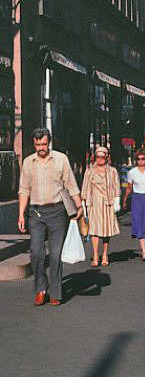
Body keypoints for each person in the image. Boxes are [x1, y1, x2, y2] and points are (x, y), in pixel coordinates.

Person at [17, 127, 82, 306]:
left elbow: (71, 185)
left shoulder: (61, 159)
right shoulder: (28, 162)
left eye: (44, 144)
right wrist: (21, 214)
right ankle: (40, 288)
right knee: (37, 252)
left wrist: (79, 206)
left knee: (55, 254)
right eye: (37, 144)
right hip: (35, 213)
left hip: (57, 212)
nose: (41, 148)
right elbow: (24, 189)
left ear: (49, 142)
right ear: (34, 143)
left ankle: (55, 291)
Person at [81, 146, 120, 267]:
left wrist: (117, 200)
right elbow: (85, 187)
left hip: (108, 203)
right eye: (98, 157)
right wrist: (83, 204)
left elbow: (116, 186)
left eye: (102, 157)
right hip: (94, 203)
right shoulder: (90, 171)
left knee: (106, 230)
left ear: (107, 157)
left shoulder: (112, 171)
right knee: (94, 230)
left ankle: (105, 254)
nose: (100, 159)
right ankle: (95, 255)